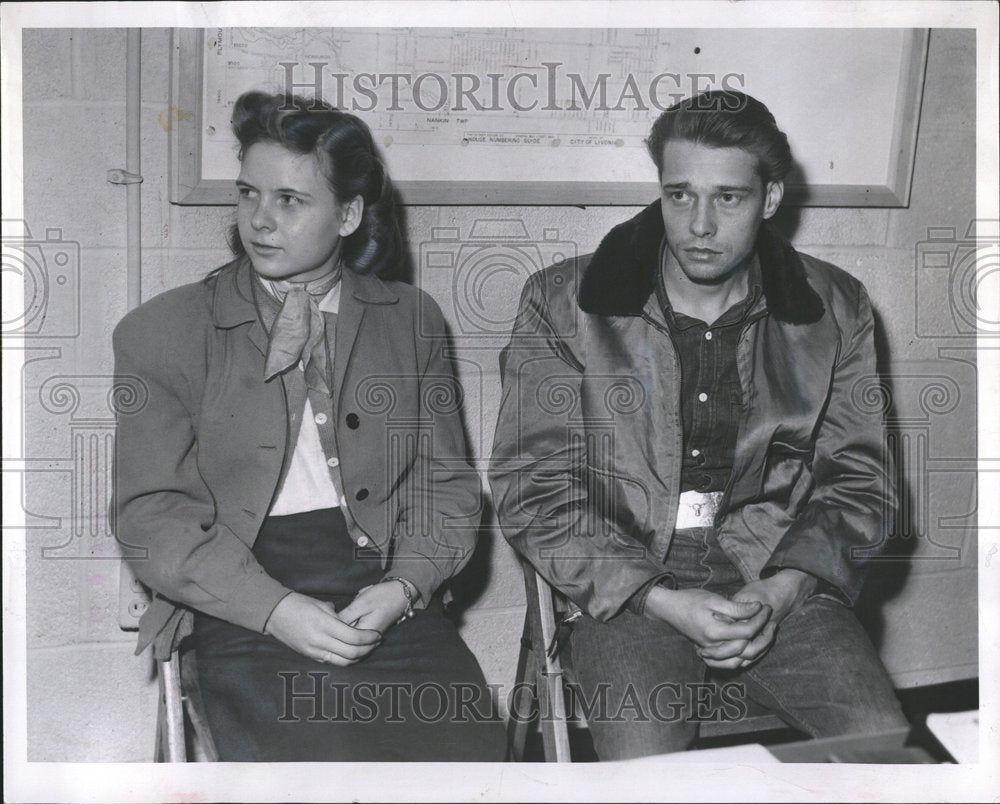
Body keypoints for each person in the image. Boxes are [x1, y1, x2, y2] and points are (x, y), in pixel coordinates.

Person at [489, 90, 909, 760]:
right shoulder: (562, 302)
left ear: (770, 199)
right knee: (651, 778)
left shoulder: (837, 307)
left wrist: (783, 589)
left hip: (774, 571)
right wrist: (659, 599)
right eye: (679, 195)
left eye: (729, 198)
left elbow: (862, 483)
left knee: (884, 751)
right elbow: (533, 489)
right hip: (624, 580)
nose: (699, 224)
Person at [112, 91, 505, 761]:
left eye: (290, 201)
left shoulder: (410, 318)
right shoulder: (163, 330)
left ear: (348, 214)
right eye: (248, 194)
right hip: (239, 599)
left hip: (383, 587)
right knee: (319, 759)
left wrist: (405, 587)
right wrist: (275, 610)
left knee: (472, 752)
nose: (259, 221)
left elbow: (444, 485)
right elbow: (150, 516)